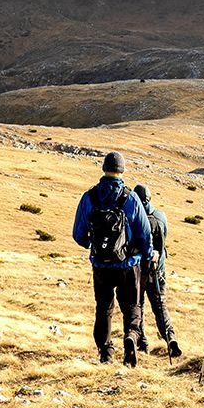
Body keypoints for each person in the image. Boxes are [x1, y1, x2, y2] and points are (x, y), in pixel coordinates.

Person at [72, 151, 154, 366]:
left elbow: (78, 234)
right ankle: (131, 339)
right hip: (128, 264)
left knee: (104, 308)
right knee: (132, 307)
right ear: (122, 170)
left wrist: (95, 247)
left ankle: (106, 352)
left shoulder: (89, 197)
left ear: (104, 169)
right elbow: (144, 234)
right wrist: (145, 259)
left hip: (100, 265)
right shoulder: (131, 197)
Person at [134, 183, 183, 357]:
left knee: (138, 306)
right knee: (160, 306)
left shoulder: (136, 218)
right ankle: (171, 338)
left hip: (140, 271)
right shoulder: (161, 216)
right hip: (159, 270)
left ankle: (142, 344)